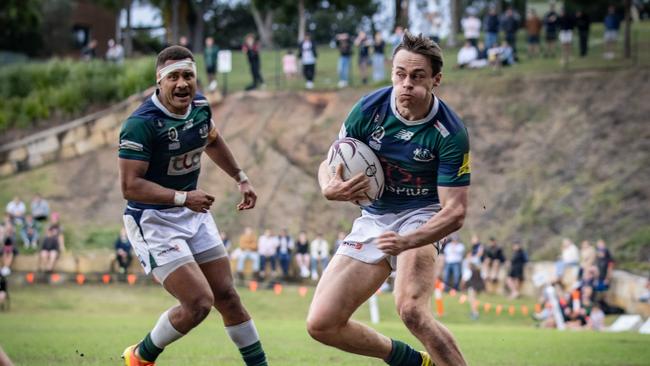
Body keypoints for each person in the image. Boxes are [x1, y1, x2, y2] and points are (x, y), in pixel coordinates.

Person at [308, 31, 470, 366]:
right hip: (375, 218)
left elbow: (454, 212)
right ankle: (411, 361)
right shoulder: (369, 109)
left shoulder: (450, 132)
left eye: (417, 76)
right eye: (400, 74)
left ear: (436, 79)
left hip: (422, 216)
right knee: (321, 324)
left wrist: (408, 241)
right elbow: (332, 160)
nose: (406, 84)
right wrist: (328, 186)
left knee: (411, 310)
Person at [117, 45, 267, 366]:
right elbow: (130, 186)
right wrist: (184, 197)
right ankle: (140, 357)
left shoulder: (200, 106)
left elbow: (211, 139)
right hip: (152, 220)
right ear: (159, 81)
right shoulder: (141, 124)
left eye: (188, 75)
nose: (182, 83)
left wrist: (241, 178)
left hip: (192, 212)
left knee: (228, 297)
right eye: (174, 77)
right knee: (199, 303)